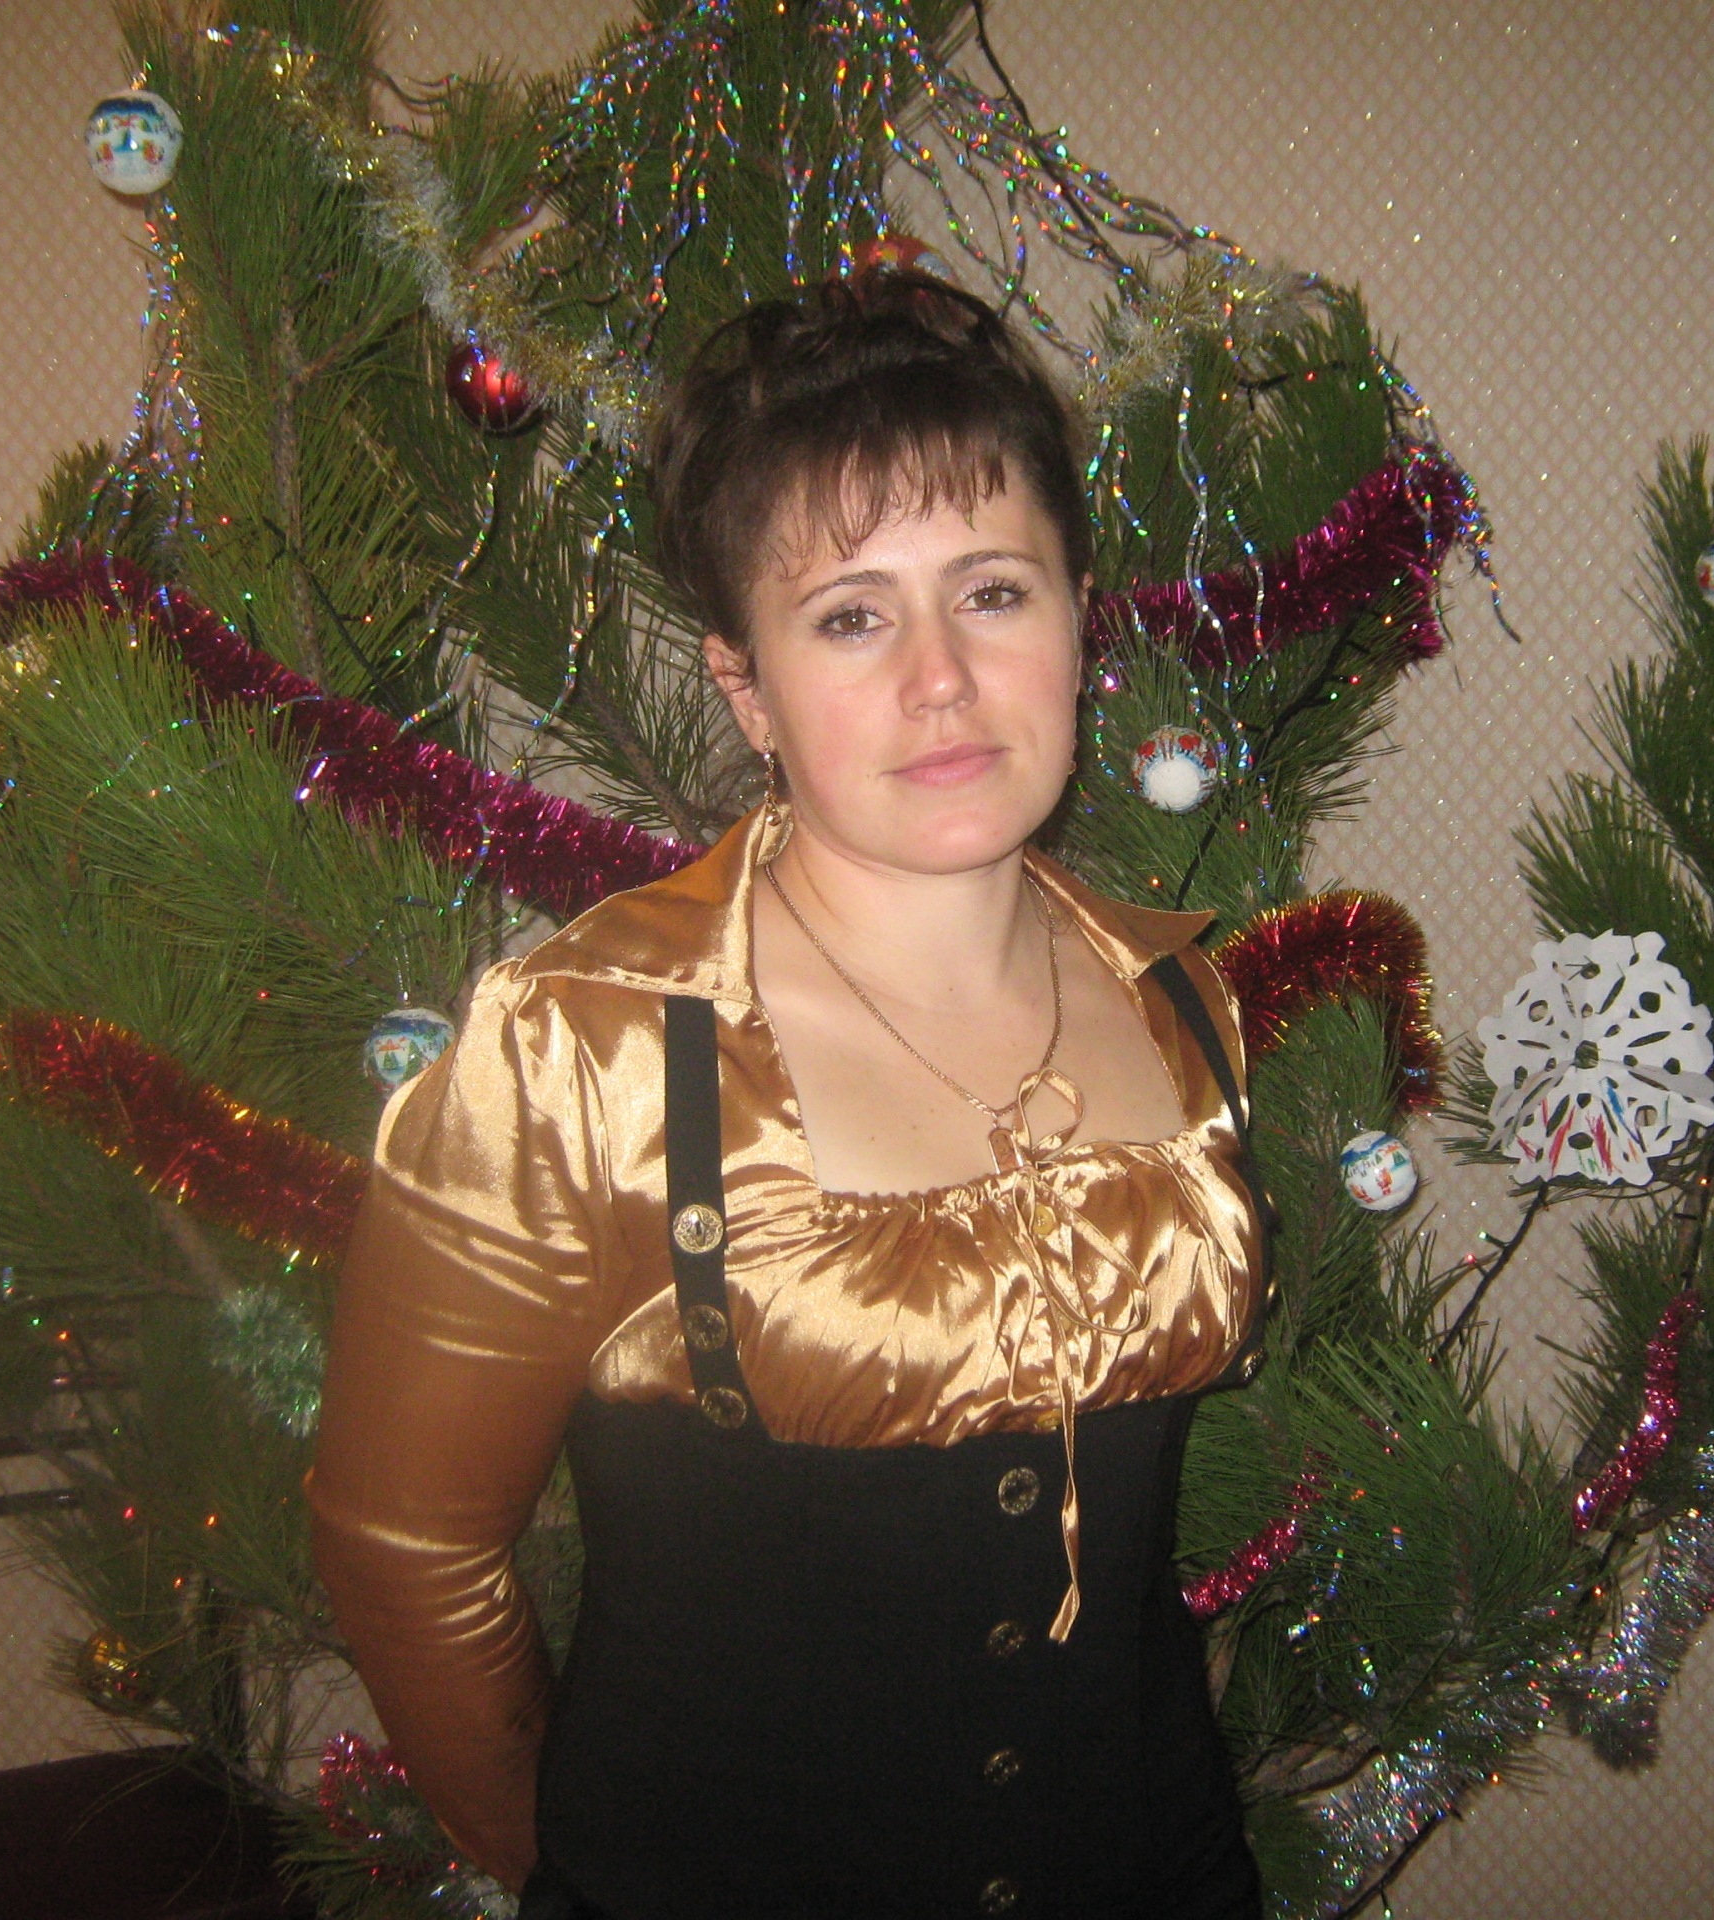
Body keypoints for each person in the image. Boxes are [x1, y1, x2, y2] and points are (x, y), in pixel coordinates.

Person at [305, 267, 1270, 1920]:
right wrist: (575, 1868)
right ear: (745, 686)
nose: (941, 678)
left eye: (993, 592)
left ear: (1079, 619)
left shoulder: (1184, 1001)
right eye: (850, 617)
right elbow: (405, 1547)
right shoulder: (586, 1050)